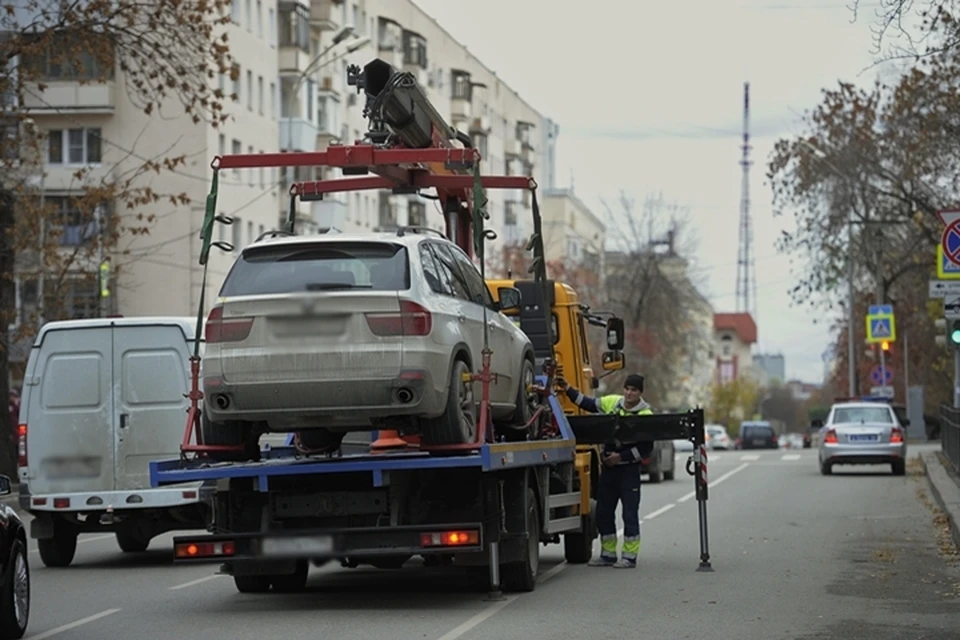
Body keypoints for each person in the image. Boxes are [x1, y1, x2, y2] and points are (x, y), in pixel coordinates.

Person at [556, 373, 653, 568]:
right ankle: (608, 554)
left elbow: (646, 449)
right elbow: (588, 403)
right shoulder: (612, 402)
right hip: (609, 472)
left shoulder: (645, 416)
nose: (628, 393)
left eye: (633, 390)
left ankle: (629, 557)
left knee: (629, 514)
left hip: (628, 472)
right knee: (603, 512)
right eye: (627, 389)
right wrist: (568, 389)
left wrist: (621, 458)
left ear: (640, 393)